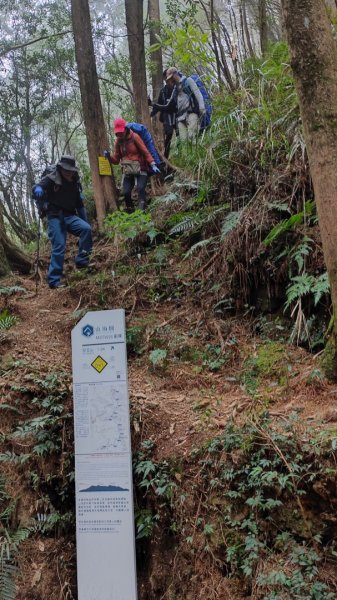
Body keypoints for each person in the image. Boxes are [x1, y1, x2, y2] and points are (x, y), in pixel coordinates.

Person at [32, 155, 92, 289]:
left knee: (86, 229)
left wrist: (85, 221)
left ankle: (82, 261)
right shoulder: (51, 178)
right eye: (65, 169)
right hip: (54, 216)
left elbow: (80, 205)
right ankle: (54, 281)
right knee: (59, 245)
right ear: (60, 168)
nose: (68, 172)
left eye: (70, 170)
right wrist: (37, 190)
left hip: (70, 216)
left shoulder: (75, 182)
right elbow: (36, 187)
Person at [104, 117, 160, 212]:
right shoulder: (118, 141)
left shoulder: (135, 137)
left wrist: (153, 164)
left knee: (141, 188)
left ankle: (142, 211)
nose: (119, 134)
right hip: (128, 169)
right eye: (118, 133)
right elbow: (116, 159)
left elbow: (145, 151)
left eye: (120, 132)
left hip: (141, 167)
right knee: (126, 192)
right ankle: (130, 210)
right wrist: (109, 157)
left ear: (125, 129)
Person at [152, 67, 206, 142]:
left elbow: (198, 94)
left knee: (192, 137)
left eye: (170, 78)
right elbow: (168, 106)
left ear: (175, 74)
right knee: (183, 142)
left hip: (191, 113)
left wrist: (202, 108)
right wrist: (153, 104)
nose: (169, 81)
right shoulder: (175, 89)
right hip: (180, 118)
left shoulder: (188, 81)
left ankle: (197, 153)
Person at [148, 69, 178, 158]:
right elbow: (159, 105)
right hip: (166, 118)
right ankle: (166, 158)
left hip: (176, 116)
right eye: (165, 78)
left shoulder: (176, 88)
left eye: (168, 78)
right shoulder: (163, 91)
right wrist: (151, 114)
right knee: (168, 137)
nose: (167, 80)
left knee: (179, 135)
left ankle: (181, 155)